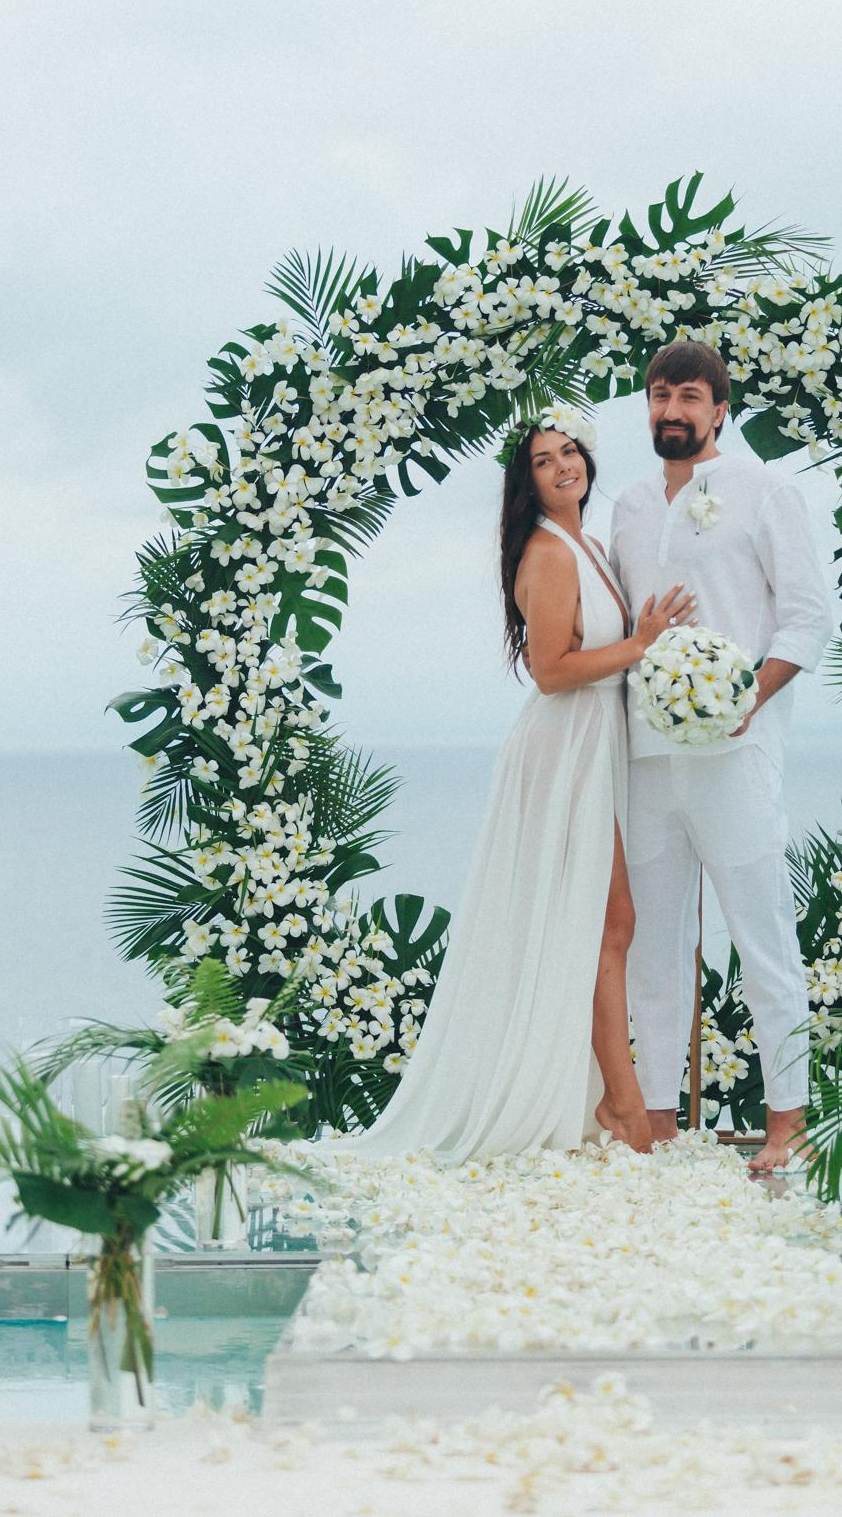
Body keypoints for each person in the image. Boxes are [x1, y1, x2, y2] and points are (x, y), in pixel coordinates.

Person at [338, 408, 695, 1163]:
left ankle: (611, 1097)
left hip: (594, 746)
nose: (565, 464)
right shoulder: (549, 554)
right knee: (609, 922)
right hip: (562, 748)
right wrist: (639, 644)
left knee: (608, 924)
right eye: (544, 460)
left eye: (571, 451)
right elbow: (551, 670)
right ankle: (624, 1105)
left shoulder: (586, 545)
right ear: (525, 483)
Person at [610, 340, 835, 1173]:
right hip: (644, 756)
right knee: (654, 943)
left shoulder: (767, 491)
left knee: (762, 929)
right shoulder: (629, 507)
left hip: (736, 754)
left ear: (720, 410)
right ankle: (659, 1123)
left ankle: (788, 1125)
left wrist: (747, 698)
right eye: (659, 395)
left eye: (690, 396)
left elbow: (808, 617)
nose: (672, 411)